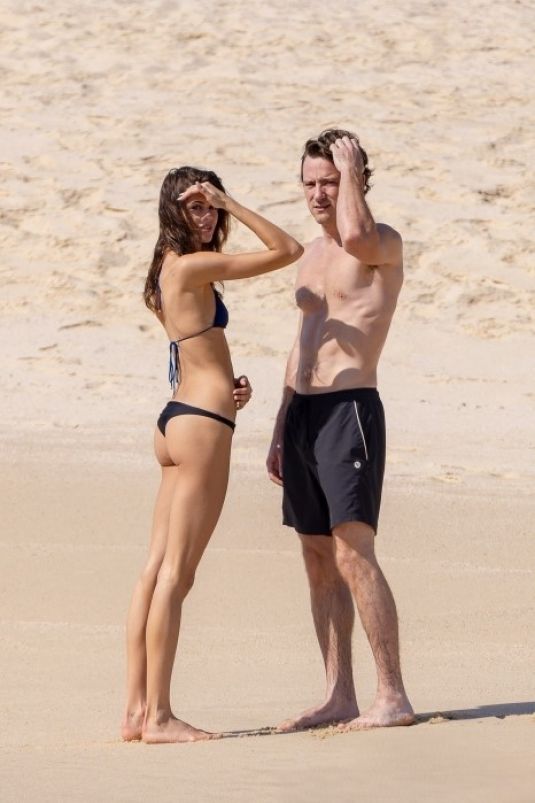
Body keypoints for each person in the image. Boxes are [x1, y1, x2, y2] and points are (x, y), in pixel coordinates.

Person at [122, 166, 303, 744]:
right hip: (201, 425)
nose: (207, 217)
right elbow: (287, 249)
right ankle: (159, 717)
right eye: (196, 206)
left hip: (179, 418)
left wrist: (229, 386)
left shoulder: (164, 269)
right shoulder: (192, 266)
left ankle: (135, 710)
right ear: (172, 210)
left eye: (210, 207)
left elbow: (193, 350)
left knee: (155, 570)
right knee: (177, 575)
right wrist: (234, 202)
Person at [267, 129, 414, 731]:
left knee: (353, 551)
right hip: (304, 413)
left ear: (355, 180)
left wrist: (350, 168)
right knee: (316, 555)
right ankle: (340, 693)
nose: (318, 194)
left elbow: (355, 233)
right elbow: (301, 341)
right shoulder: (310, 254)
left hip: (350, 408)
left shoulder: (379, 243)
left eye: (330, 181)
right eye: (310, 183)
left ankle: (392, 695)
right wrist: (281, 422)